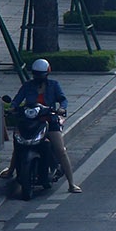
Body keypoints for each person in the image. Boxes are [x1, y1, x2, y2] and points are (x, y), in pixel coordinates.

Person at [9, 58, 80, 193]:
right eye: (36, 74)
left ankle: (71, 183)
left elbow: (63, 100)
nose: (38, 77)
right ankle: (10, 170)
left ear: (47, 74)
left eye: (41, 74)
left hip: (49, 120)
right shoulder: (27, 86)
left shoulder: (54, 85)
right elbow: (17, 100)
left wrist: (62, 108)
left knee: (60, 150)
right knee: (18, 144)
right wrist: (12, 108)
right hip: (30, 122)